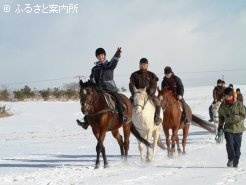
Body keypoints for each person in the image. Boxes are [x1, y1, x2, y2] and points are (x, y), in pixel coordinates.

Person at [77, 47, 130, 129]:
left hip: (110, 88)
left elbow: (113, 63)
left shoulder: (108, 65)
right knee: (91, 101)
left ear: (104, 56)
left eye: (102, 55)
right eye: (98, 56)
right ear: (97, 57)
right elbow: (92, 78)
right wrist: (92, 83)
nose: (100, 57)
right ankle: (86, 121)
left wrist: (117, 55)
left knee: (116, 98)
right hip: (98, 89)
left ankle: (122, 116)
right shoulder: (94, 69)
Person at [218, 87, 246, 167]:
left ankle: (236, 160)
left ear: (233, 96)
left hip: (238, 129)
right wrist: (220, 126)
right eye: (226, 97)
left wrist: (233, 118)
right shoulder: (222, 106)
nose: (228, 98)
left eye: (229, 96)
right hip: (228, 128)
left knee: (237, 148)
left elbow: (243, 115)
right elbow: (221, 116)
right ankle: (231, 159)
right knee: (229, 145)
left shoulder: (239, 104)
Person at [129, 58, 162, 125]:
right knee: (128, 103)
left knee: (158, 102)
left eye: (144, 65)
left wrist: (151, 91)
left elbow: (154, 84)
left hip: (149, 94)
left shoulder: (151, 75)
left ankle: (157, 117)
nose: (142, 66)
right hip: (137, 94)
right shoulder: (134, 74)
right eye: (141, 64)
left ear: (147, 65)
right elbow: (131, 84)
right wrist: (134, 93)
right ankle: (128, 119)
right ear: (139, 65)